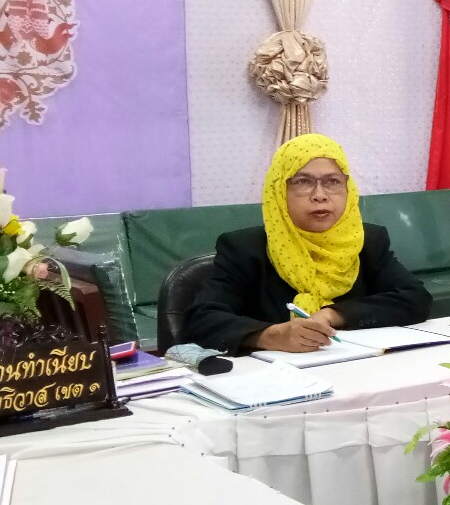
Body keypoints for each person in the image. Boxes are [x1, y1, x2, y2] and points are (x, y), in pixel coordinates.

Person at [184, 134, 433, 354]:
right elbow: (202, 321)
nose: (320, 195)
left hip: (356, 369)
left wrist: (334, 314)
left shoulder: (367, 241)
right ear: (279, 191)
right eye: (303, 182)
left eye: (333, 181)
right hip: (276, 378)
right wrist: (271, 336)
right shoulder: (244, 249)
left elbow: (415, 298)